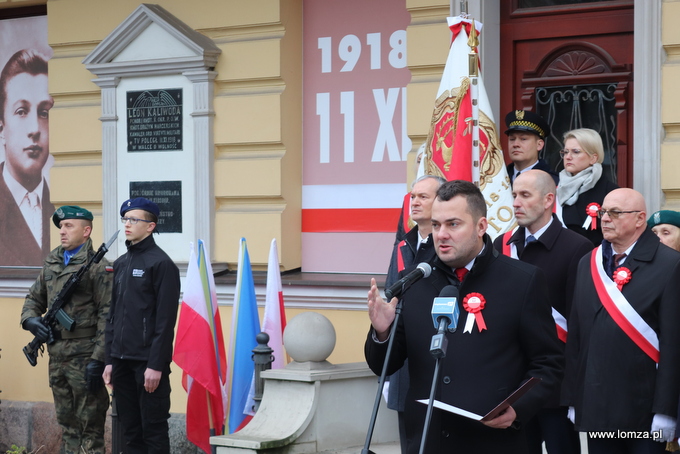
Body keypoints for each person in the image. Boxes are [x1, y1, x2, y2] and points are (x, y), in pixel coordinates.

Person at [365, 180, 563, 454]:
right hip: (427, 441)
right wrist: (382, 333)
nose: (441, 234)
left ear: (481, 226)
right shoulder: (413, 281)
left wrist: (517, 410)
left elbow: (548, 364)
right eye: (436, 225)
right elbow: (383, 366)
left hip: (493, 442)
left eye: (453, 224)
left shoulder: (522, 281)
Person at [562, 188, 680, 454]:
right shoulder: (587, 263)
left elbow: (674, 345)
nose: (605, 218)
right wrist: (573, 399)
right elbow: (577, 337)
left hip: (644, 412)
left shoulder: (671, 264)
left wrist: (666, 411)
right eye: (603, 212)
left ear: (640, 219)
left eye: (615, 213)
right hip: (596, 405)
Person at [493, 170, 592, 454]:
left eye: (525, 195)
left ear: (549, 199)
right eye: (514, 195)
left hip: (555, 386)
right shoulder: (502, 244)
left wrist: (574, 387)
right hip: (512, 381)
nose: (516, 203)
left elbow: (579, 321)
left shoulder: (578, 247)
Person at [20, 205, 112, 454]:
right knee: (67, 427)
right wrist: (31, 321)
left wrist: (98, 360)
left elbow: (107, 316)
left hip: (85, 358)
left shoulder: (99, 267)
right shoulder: (52, 263)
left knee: (90, 430)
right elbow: (33, 299)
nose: (62, 231)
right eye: (61, 226)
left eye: (69, 226)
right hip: (57, 357)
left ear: (86, 231)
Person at [103, 197, 180, 454]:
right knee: (130, 431)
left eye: (134, 219)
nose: (127, 224)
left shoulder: (161, 264)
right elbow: (113, 316)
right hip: (122, 363)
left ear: (150, 226)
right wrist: (110, 360)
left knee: (153, 431)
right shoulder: (121, 264)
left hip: (147, 365)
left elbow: (165, 321)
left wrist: (156, 365)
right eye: (125, 219)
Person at [384, 174, 444, 454]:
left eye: (423, 196)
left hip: (435, 356)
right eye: (413, 196)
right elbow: (390, 295)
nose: (415, 202)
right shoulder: (404, 243)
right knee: (408, 441)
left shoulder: (446, 245)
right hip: (404, 360)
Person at [0, 49, 54, 266]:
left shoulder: (60, 206)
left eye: (44, 113)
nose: (35, 129)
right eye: (21, 111)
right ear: (2, 127)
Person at [557, 128, 619, 248]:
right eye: (565, 152)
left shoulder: (611, 192)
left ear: (593, 158)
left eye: (575, 152)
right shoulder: (553, 188)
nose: (568, 157)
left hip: (594, 259)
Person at [504, 109, 558, 185]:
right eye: (512, 139)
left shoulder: (552, 181)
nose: (515, 144)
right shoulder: (499, 178)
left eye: (523, 139)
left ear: (539, 145)